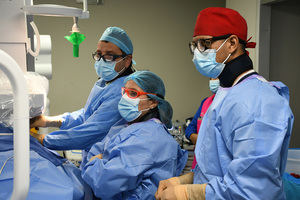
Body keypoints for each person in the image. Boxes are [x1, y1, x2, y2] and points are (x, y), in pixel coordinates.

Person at [156, 7, 294, 200]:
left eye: (204, 44)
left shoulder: (258, 101)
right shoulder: (226, 93)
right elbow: (218, 166)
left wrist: (189, 193)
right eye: (194, 45)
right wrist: (186, 180)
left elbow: (253, 190)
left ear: (232, 43)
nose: (197, 53)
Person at [30, 27, 135, 168]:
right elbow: (87, 115)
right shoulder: (104, 82)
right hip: (94, 160)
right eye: (99, 55)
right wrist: (49, 121)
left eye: (109, 56)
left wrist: (43, 140)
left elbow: (92, 131)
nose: (102, 61)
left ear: (127, 60)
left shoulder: (125, 90)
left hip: (111, 165)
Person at [81, 71, 188, 199]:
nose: (125, 98)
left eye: (133, 93)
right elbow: (100, 152)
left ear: (153, 102)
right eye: (124, 92)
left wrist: (94, 162)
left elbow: (104, 181)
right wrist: (99, 160)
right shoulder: (130, 127)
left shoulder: (149, 137)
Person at [185, 78, 219, 169]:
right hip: (199, 162)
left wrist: (203, 141)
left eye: (216, 77)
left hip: (216, 163)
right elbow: (189, 129)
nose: (213, 80)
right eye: (211, 78)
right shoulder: (206, 102)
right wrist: (195, 137)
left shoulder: (228, 102)